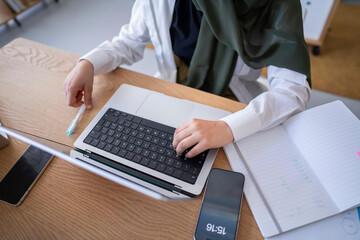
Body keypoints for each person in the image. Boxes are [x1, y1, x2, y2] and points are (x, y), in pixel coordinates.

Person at [64, 0, 311, 159]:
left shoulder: (275, 4)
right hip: (173, 88)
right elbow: (129, 41)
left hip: (233, 100)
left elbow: (293, 89)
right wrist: (89, 63)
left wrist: (228, 128)